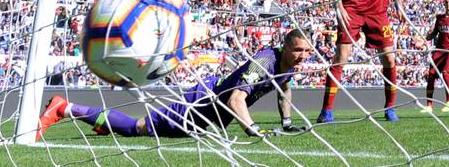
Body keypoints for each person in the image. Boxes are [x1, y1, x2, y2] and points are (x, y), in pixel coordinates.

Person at [36, 29, 313, 140]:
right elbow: (236, 99)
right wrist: (251, 129)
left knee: (149, 132)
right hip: (201, 102)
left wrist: (287, 122)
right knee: (138, 128)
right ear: (284, 47)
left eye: (307, 52)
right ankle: (64, 107)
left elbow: (283, 88)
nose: (303, 56)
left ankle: (103, 123)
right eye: (298, 50)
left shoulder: (287, 68)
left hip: (210, 115)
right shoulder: (264, 63)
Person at [418, 0, 449, 114]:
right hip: (439, 50)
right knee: (431, 75)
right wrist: (423, 39)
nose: (448, 4)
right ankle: (429, 105)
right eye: (446, 2)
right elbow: (434, 33)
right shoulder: (440, 18)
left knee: (445, 73)